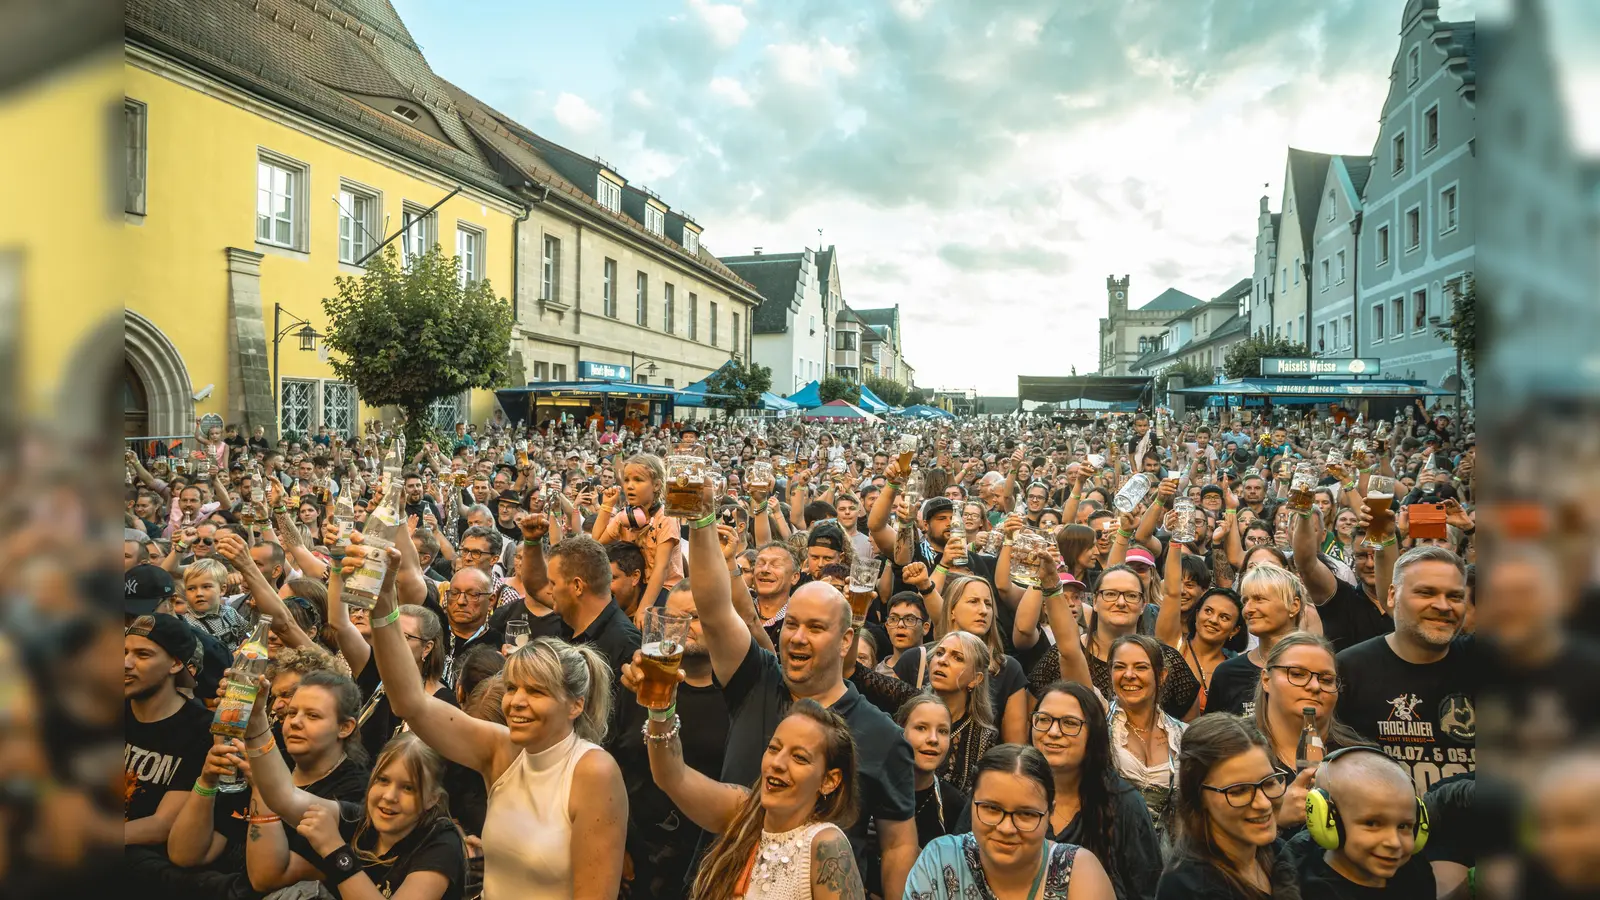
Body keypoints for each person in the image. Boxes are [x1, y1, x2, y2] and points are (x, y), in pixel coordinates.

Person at [353, 535, 628, 898]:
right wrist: (385, 601)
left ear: (575, 705)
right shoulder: (502, 749)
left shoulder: (593, 771)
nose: (516, 702)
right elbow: (410, 703)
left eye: (536, 691)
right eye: (513, 688)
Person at [689, 510, 918, 898]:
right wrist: (701, 519)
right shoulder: (756, 679)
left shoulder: (883, 736)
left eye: (815, 628)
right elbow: (713, 612)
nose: (796, 637)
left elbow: (897, 845)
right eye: (792, 624)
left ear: (846, 641)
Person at [644, 698, 865, 900]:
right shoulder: (744, 811)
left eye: (799, 757)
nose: (777, 763)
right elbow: (671, 775)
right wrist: (661, 707)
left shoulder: (825, 843)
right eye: (773, 748)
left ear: (829, 781)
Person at [1335, 546, 1475, 797]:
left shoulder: (1489, 665)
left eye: (1455, 597)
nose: (1443, 606)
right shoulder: (1348, 669)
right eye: (1425, 592)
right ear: (1392, 596)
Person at [902, 743, 1116, 900]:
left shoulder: (1078, 871)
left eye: (1026, 814)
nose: (1006, 828)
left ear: (1050, 812)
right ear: (972, 803)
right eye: (992, 809)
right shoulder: (940, 860)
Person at [1032, 681, 1162, 900]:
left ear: (1093, 733)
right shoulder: (1007, 789)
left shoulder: (1124, 803)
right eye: (1043, 720)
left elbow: (1147, 890)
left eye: (1069, 723)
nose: (1053, 732)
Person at [1156, 714, 1297, 899]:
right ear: (1199, 797)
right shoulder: (1187, 889)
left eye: (1269, 783)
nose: (1263, 803)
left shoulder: (1280, 854)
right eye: (1239, 791)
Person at [1285, 746, 1435, 898]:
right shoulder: (1312, 892)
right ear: (1325, 821)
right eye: (1372, 823)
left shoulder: (1416, 874)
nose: (1394, 842)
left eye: (1404, 826)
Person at [124, 612, 210, 846]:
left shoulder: (202, 731)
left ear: (176, 663)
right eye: (124, 652)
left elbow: (162, 825)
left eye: (143, 654)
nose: (126, 663)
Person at [1105, 634, 1187, 835]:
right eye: (1119, 667)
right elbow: (1070, 654)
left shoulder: (1183, 734)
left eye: (1141, 667)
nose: (1129, 674)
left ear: (1161, 675)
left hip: (1164, 856)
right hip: (1106, 849)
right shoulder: (1098, 723)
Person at [1205, 565, 1307, 718]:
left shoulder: (1318, 666)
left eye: (1259, 599)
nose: (1248, 609)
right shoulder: (1228, 673)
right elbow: (1212, 737)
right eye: (1245, 601)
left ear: (1294, 605)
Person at [895, 695, 970, 849]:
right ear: (900, 731)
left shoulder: (955, 805)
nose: (933, 739)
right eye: (921, 728)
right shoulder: (871, 790)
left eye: (942, 731)